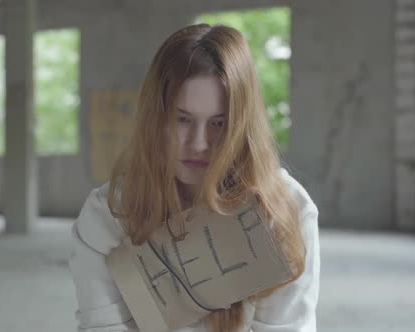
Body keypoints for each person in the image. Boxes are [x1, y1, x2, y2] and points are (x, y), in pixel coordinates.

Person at [69, 23, 320, 332]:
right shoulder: (106, 216)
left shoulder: (284, 210)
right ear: (155, 118)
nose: (199, 144)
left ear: (241, 125)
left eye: (218, 123)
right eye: (183, 119)